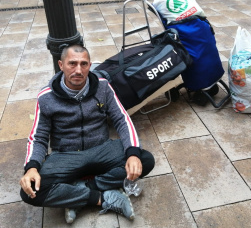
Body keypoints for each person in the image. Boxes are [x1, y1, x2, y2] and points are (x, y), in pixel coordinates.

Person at [20, 44, 155, 223]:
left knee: (144, 160)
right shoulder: (46, 97)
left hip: (102, 149)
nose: (78, 70)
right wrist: (31, 168)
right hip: (66, 156)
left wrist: (132, 153)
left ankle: (78, 190)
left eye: (84, 64)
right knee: (30, 190)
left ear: (90, 65)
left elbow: (122, 119)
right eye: (72, 64)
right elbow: (38, 137)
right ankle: (101, 197)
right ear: (61, 65)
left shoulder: (103, 87)